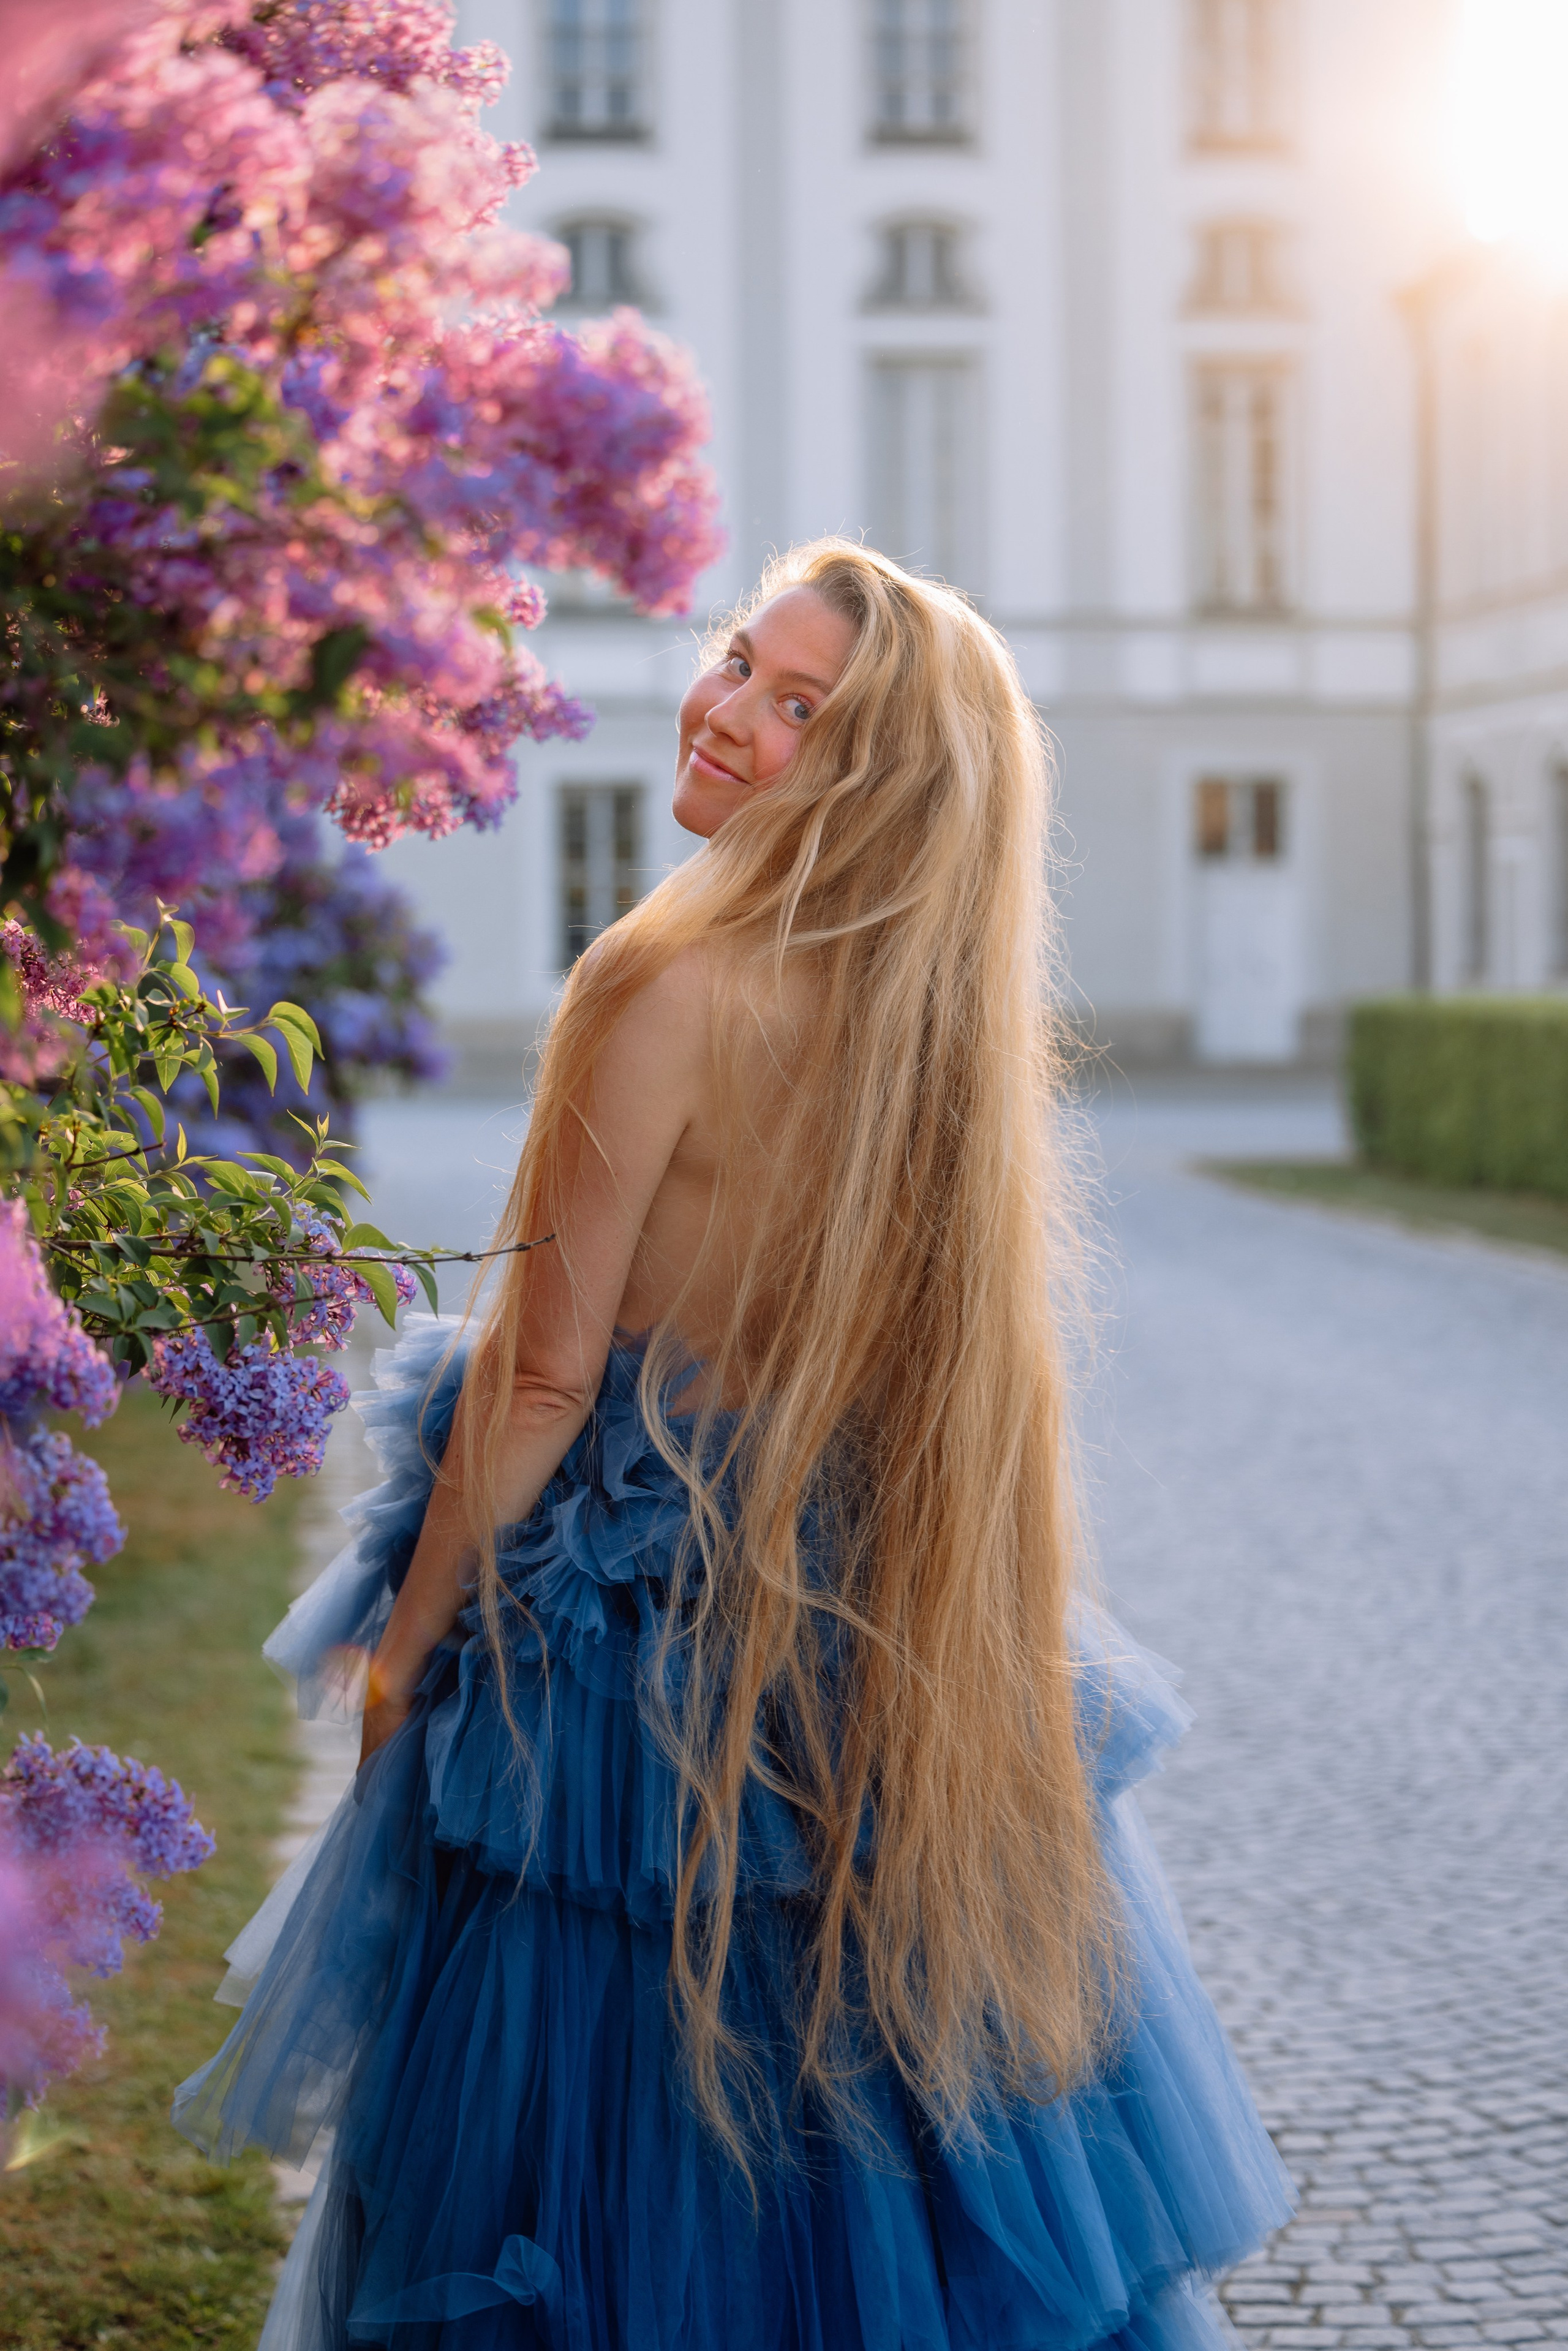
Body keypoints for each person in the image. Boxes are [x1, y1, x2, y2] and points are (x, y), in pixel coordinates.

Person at [175, 541, 1292, 2351]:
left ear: (873, 780)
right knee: (870, 2147)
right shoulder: (927, 1033)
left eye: (801, 709)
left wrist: (402, 1650)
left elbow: (540, 1382)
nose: (725, 712)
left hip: (625, 1685)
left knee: (598, 2158)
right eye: (736, 663)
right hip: (884, 1645)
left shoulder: (655, 984)